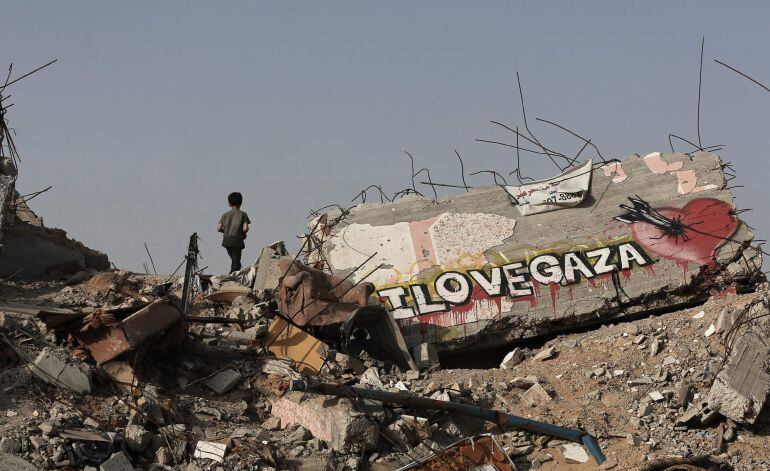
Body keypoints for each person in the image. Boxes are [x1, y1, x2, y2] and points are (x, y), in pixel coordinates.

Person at [217, 192, 250, 273]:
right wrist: (242, 233)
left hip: (227, 241)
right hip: (237, 241)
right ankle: (231, 277)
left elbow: (218, 228)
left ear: (229, 204)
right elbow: (245, 228)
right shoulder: (243, 214)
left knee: (235, 260)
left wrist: (226, 231)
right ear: (241, 203)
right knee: (236, 264)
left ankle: (235, 274)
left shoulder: (224, 215)